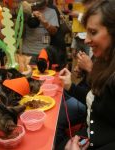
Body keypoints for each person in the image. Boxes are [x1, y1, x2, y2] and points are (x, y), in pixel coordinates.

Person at [58, 0, 115, 149]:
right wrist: (70, 85)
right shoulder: (103, 61)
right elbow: (97, 104)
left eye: (93, 32)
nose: (86, 40)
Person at [22, 0, 59, 64]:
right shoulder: (26, 10)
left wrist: (45, 22)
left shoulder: (51, 12)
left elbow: (54, 32)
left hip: (44, 52)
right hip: (28, 52)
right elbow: (20, 32)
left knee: (43, 73)